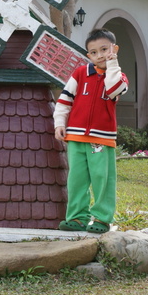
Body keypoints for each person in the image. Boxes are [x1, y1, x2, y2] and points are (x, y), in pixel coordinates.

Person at [53, 28, 128, 233]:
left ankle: (102, 218)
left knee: (102, 179)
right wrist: (60, 122)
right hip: (75, 136)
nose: (100, 55)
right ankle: (77, 218)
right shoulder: (80, 73)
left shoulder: (120, 77)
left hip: (101, 140)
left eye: (104, 49)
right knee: (76, 178)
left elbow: (113, 90)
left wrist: (112, 64)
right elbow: (65, 99)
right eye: (94, 52)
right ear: (88, 55)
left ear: (115, 49)